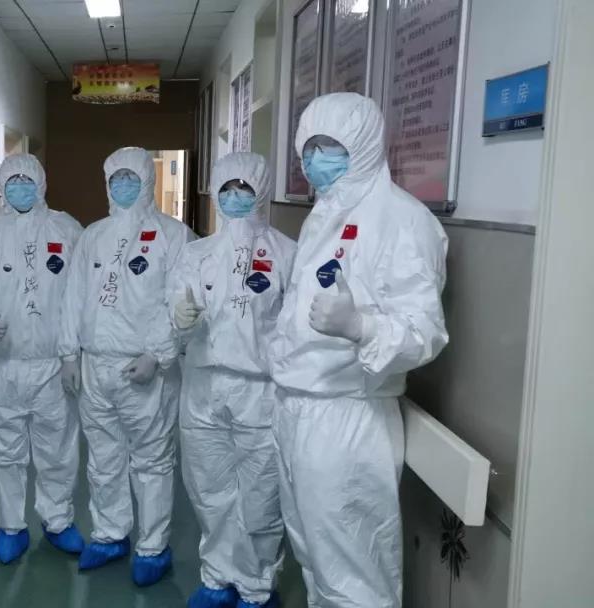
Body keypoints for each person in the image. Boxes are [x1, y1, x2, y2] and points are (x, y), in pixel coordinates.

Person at [269, 92, 448, 607]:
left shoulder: (402, 219)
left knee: (354, 569)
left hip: (348, 415)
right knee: (313, 552)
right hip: (297, 406)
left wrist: (361, 327)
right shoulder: (325, 212)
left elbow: (425, 331)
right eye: (308, 147)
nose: (313, 159)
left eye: (329, 146)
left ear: (365, 144)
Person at [59, 146, 195, 586]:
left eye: (130, 178)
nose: (122, 185)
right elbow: (74, 296)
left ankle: (152, 547)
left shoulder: (174, 236)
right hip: (95, 365)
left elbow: (181, 301)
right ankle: (110, 534)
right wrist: (68, 353)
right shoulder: (93, 235)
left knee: (152, 461)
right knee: (103, 457)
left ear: (147, 180)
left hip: (145, 367)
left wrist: (157, 353)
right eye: (115, 178)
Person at [170, 153, 293, 608]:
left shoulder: (286, 252)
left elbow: (297, 327)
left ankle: (257, 585)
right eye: (227, 189)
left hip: (260, 390)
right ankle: (217, 575)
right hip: (203, 385)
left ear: (261, 191)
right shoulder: (196, 253)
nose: (235, 197)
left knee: (260, 492)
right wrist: (179, 317)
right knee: (209, 487)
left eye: (244, 189)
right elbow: (175, 307)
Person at [0, 153, 86, 565]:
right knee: (5, 450)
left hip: (52, 363)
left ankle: (58, 521)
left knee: (57, 449)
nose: (20, 187)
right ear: (1, 186)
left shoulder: (66, 229)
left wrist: (71, 354)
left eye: (26, 180)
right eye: (12, 181)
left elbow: (79, 295)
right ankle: (11, 526)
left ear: (41, 183)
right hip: (2, 364)